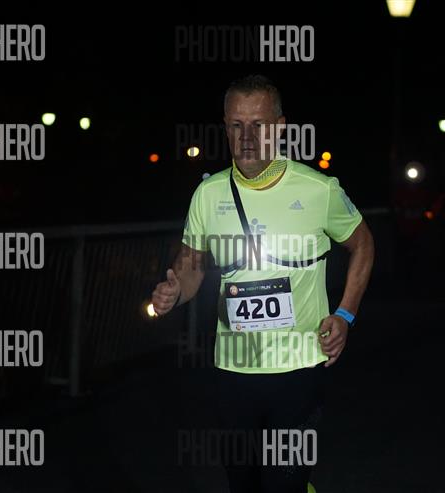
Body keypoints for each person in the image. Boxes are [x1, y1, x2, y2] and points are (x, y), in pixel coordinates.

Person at [152, 74, 374, 493]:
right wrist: (175, 291)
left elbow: (363, 244)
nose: (248, 137)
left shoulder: (318, 189)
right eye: (237, 125)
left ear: (281, 127)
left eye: (259, 125)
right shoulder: (208, 194)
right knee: (243, 484)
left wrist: (345, 314)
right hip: (233, 370)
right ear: (225, 128)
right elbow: (191, 266)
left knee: (285, 483)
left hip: (300, 368)